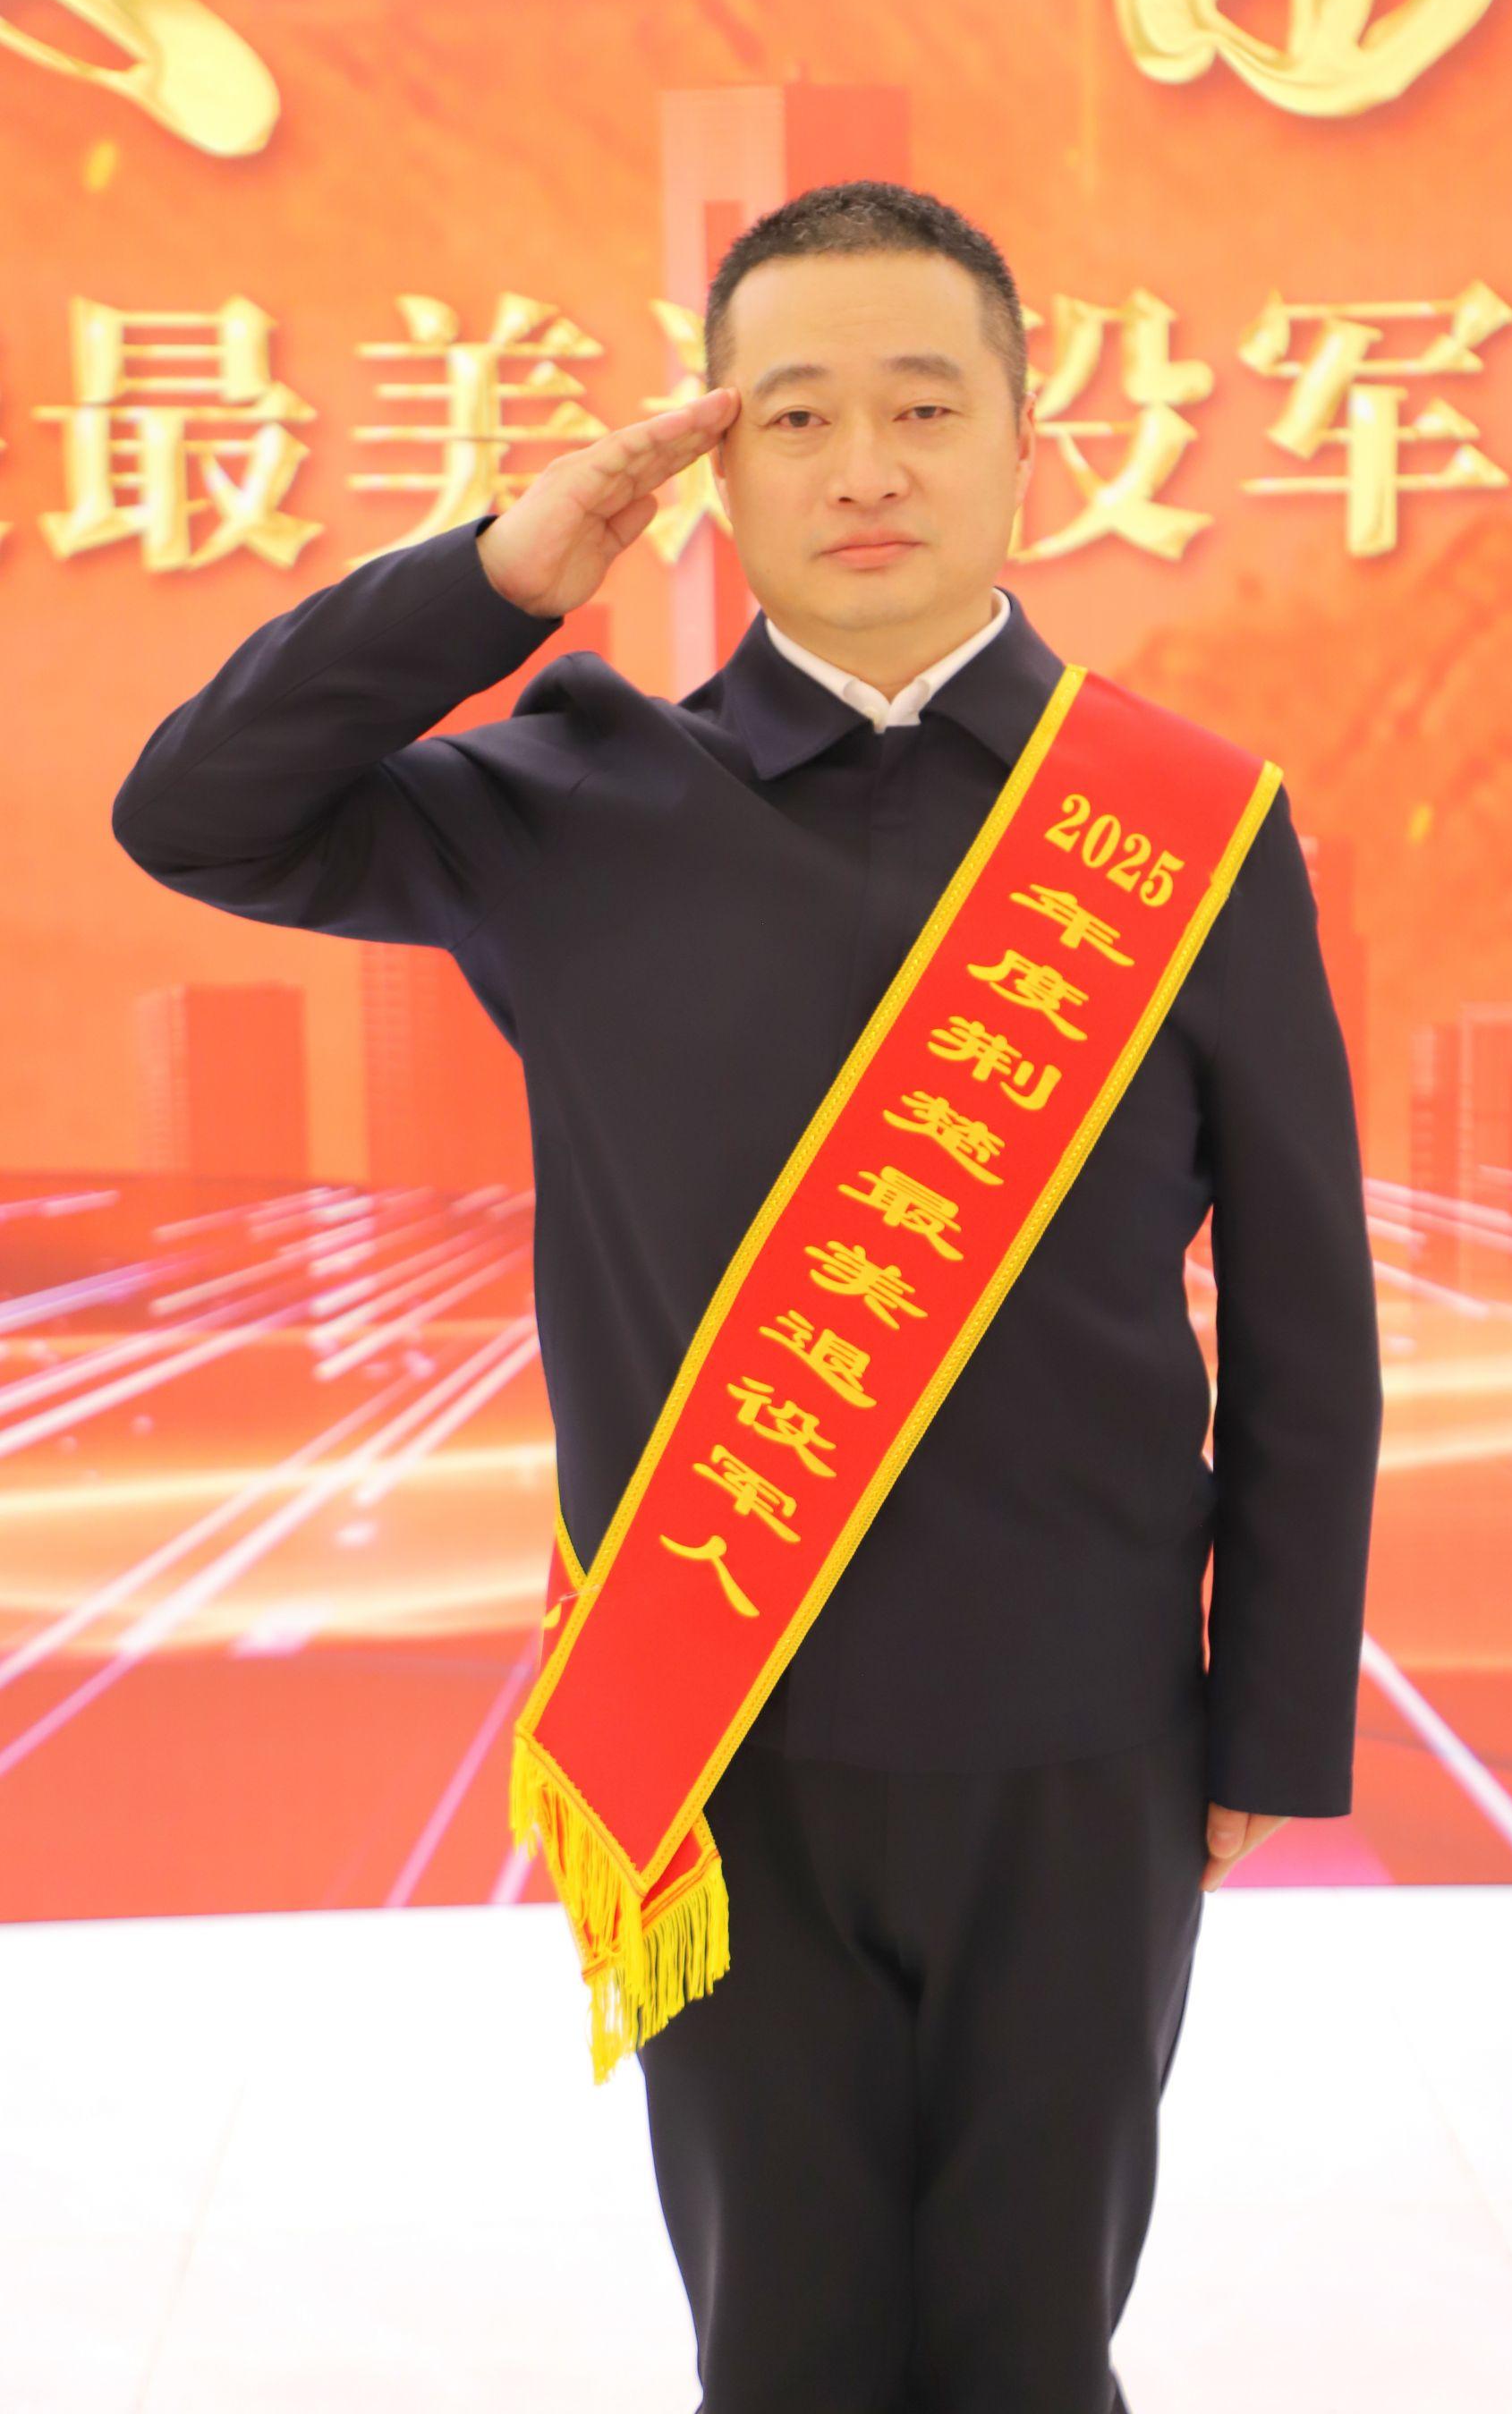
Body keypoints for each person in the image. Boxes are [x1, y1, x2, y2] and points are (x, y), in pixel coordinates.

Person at [111, 179, 1384, 2414]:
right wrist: (498, 576)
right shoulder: (569, 801)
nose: (864, 464)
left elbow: (1306, 1309)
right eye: (794, 414)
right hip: (711, 1737)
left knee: (1032, 2348)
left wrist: (1266, 1718)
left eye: (925, 404)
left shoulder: (1183, 825)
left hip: (1082, 1735)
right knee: (780, 2350)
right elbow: (193, 814)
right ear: (712, 459)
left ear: (1028, 442)